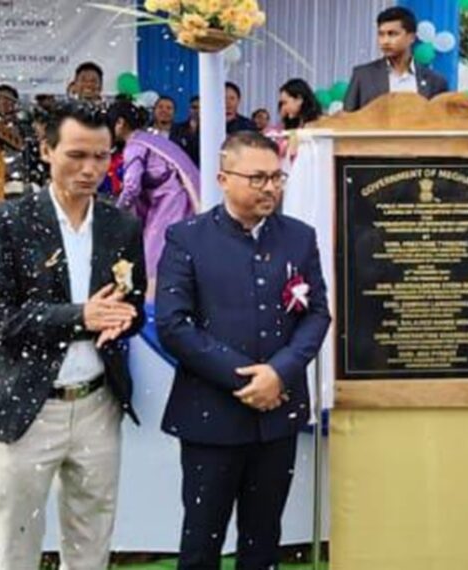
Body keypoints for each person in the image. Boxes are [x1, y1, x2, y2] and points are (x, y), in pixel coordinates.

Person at [0, 101, 146, 570]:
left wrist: (123, 319)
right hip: (25, 403)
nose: (90, 169)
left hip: (97, 404)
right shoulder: (7, 221)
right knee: (15, 544)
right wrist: (79, 317)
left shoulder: (121, 224)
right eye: (77, 155)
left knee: (92, 540)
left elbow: (135, 303)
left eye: (101, 156)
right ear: (46, 151)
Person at [157, 131, 331, 569]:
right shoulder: (186, 238)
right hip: (211, 417)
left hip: (277, 415)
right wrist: (248, 376)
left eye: (276, 177)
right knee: (201, 540)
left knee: (263, 538)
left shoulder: (298, 237)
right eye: (257, 178)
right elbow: (174, 325)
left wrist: (280, 372)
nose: (270, 188)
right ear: (223, 178)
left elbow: (317, 315)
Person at [109, 100, 201, 296]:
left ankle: (155, 305)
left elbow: (132, 187)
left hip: (169, 202)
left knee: (154, 257)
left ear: (119, 123)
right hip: (177, 199)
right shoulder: (152, 139)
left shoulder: (134, 145)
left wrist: (114, 213)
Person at [343, 6, 449, 112]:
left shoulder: (435, 81)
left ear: (411, 37)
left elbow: (444, 122)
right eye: (381, 34)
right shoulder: (363, 76)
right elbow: (345, 120)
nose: (385, 41)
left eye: (392, 34)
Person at [171, 95, 201, 166]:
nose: (197, 111)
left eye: (201, 108)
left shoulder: (211, 132)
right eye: (194, 107)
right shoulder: (177, 129)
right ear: (189, 109)